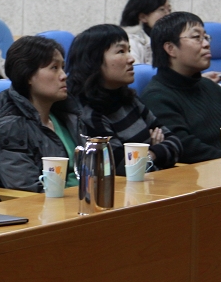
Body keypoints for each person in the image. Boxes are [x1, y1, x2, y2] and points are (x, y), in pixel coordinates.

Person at [0, 36, 85, 192]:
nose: (64, 75)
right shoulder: (10, 127)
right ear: (28, 75)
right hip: (54, 204)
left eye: (63, 67)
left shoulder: (67, 113)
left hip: (87, 198)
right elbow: (27, 189)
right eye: (54, 68)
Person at [66, 24, 182, 175]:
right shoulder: (89, 114)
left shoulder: (128, 98)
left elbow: (175, 142)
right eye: (121, 51)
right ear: (94, 60)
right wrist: (154, 153)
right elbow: (122, 168)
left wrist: (150, 154)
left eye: (129, 50)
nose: (131, 59)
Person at [140, 12, 221, 163]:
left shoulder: (212, 87)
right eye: (196, 37)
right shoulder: (157, 97)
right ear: (170, 48)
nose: (206, 44)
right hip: (205, 173)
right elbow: (186, 148)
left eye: (206, 37)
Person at [119, 0, 171, 65]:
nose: (168, 15)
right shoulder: (131, 42)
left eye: (169, 10)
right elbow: (135, 70)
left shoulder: (169, 41)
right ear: (143, 17)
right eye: (162, 9)